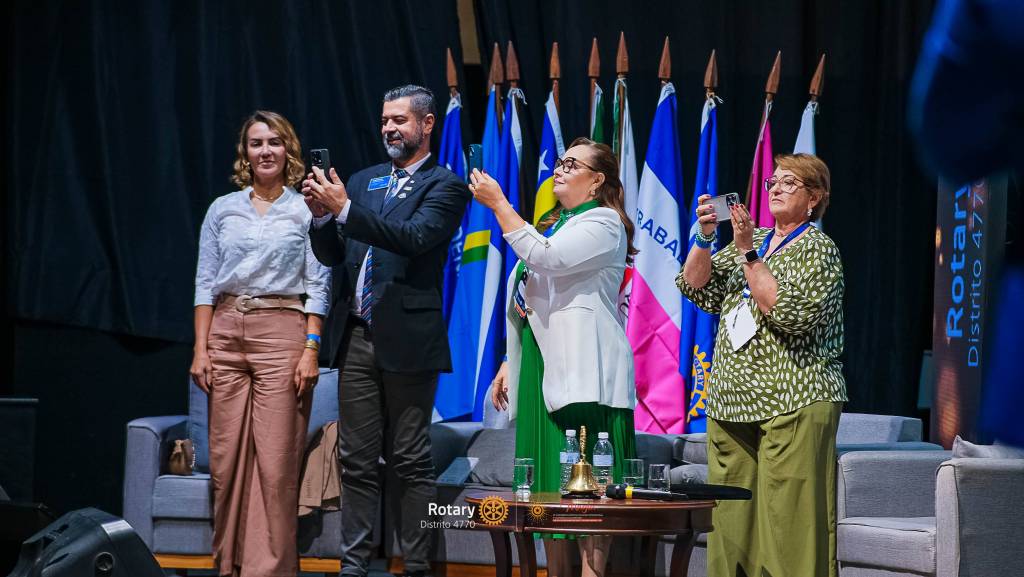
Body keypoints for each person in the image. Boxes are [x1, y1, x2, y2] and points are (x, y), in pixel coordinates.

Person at [301, 85, 470, 577]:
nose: (389, 129)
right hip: (356, 336)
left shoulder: (446, 185)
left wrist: (344, 211)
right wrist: (321, 220)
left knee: (410, 459)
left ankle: (415, 566)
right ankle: (353, 567)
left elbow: (414, 238)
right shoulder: (364, 180)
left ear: (427, 124)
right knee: (355, 458)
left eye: (399, 120)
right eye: (384, 121)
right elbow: (335, 255)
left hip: (409, 338)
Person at [676, 152, 846, 577]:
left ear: (814, 198)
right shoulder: (754, 239)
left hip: (794, 399)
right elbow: (695, 287)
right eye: (773, 181)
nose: (775, 188)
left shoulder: (818, 249)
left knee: (789, 523)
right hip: (732, 404)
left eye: (789, 182)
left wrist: (749, 253)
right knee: (730, 523)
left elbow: (787, 311)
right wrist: (704, 237)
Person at [477, 137, 638, 577]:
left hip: (586, 369)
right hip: (540, 363)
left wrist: (500, 204)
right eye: (560, 162)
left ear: (597, 180)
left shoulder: (604, 222)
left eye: (571, 164)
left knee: (589, 487)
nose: (559, 169)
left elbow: (549, 260)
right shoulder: (554, 225)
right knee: (548, 484)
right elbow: (528, 296)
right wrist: (510, 359)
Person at [191, 110, 330, 577]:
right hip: (226, 330)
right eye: (256, 143)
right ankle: (228, 566)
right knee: (225, 460)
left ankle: (268, 571)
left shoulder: (306, 208)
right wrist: (200, 349)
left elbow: (319, 284)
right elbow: (205, 282)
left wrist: (311, 348)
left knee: (275, 462)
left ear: (288, 150)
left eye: (274, 142)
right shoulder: (222, 209)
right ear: (245, 153)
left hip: (282, 331)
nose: (265, 151)